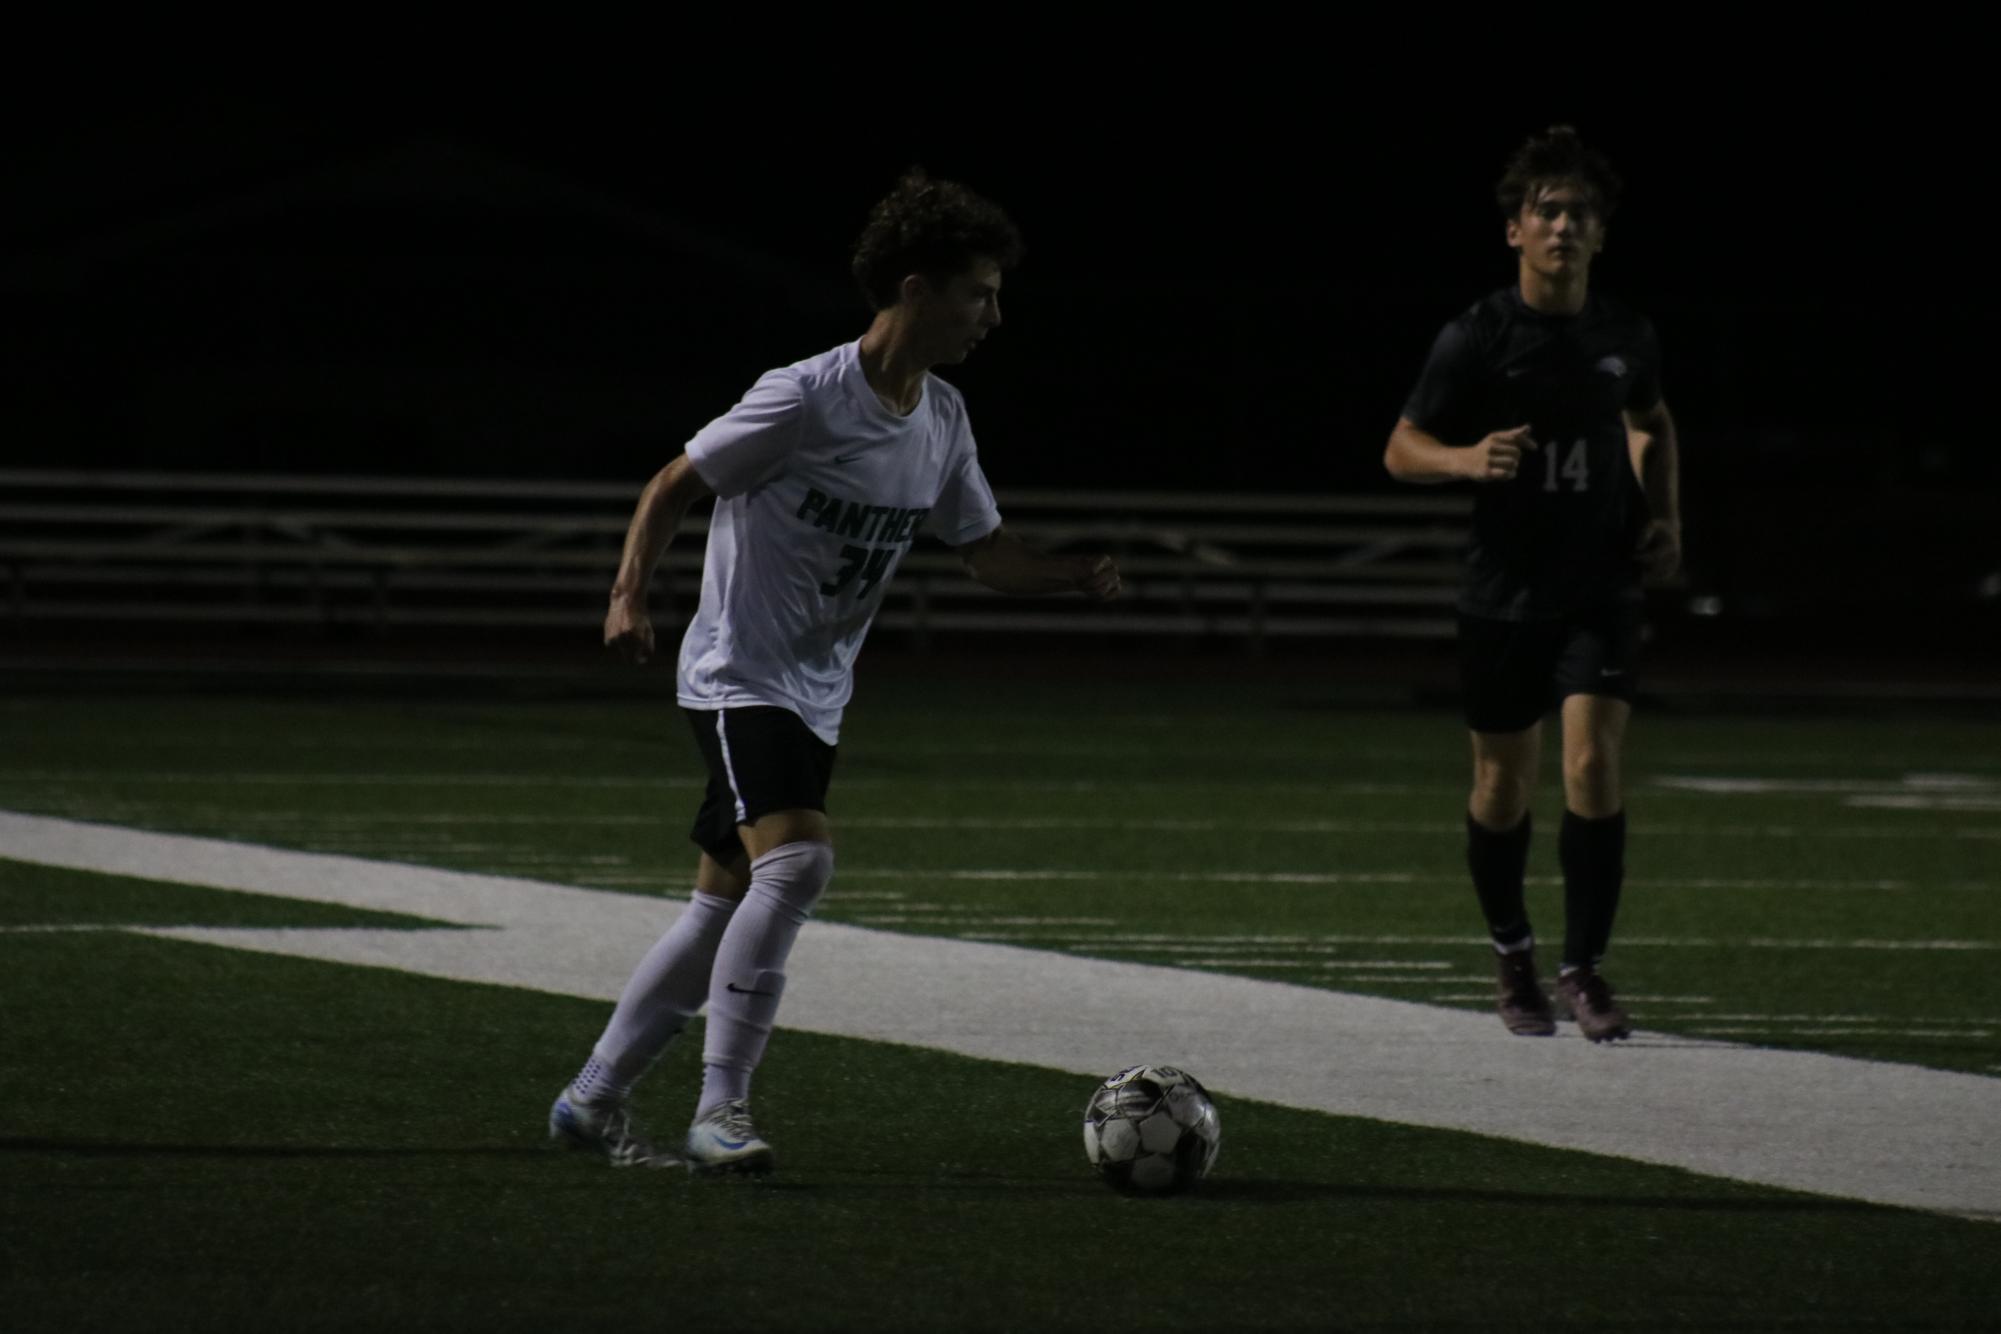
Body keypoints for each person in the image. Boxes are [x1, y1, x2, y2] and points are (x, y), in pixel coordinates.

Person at [549, 169, 1121, 1173]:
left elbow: (984, 550)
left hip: (816, 692)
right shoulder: (803, 397)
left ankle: (591, 1099)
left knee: (719, 904)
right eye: (978, 291)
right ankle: (721, 1107)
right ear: (914, 289)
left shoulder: (941, 417)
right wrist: (626, 593)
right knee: (801, 859)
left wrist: (1072, 574)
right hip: (737, 672)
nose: (994, 312)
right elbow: (674, 482)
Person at [1383, 126, 1682, 1042]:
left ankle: (1583, 970)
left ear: (1600, 233)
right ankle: (1511, 951)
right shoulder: (1475, 336)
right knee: (1500, 784)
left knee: (1593, 765)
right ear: (1514, 230)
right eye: (1545, 210)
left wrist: (1664, 516)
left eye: (1578, 212)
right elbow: (1400, 449)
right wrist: (1466, 460)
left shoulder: (1624, 334)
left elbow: (1651, 421)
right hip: (1502, 591)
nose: (1562, 225)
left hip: (1599, 586)